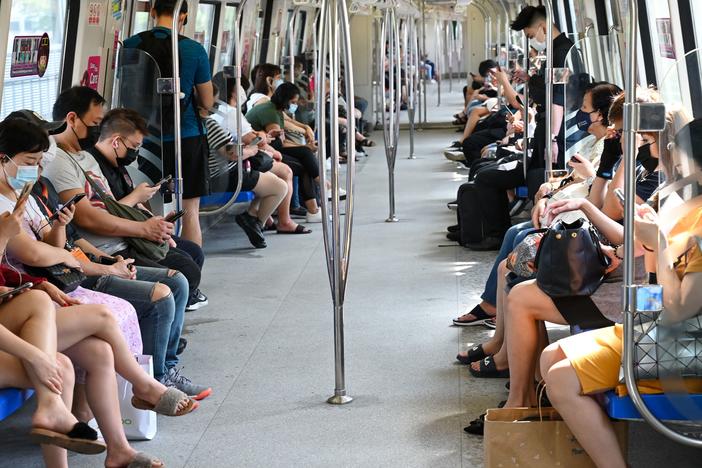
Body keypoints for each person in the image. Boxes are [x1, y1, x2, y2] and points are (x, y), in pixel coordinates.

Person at [540, 116, 702, 468]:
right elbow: (660, 290)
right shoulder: (687, 209)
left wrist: (655, 244)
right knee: (550, 356)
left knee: (560, 377)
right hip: (664, 326)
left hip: (685, 344)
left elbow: (678, 312)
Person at [123, 0, 214, 246]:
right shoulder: (195, 50)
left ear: (153, 12)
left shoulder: (131, 45)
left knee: (150, 209)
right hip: (187, 136)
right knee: (190, 210)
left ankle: (161, 268)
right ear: (183, 16)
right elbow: (207, 100)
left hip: (143, 138)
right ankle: (192, 274)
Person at [214, 77, 309, 235]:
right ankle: (279, 220)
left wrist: (262, 137)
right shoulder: (231, 114)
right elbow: (253, 140)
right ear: (233, 91)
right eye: (241, 87)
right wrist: (271, 149)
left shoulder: (220, 111)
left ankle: (264, 216)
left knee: (275, 169)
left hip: (235, 161)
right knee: (286, 171)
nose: (243, 92)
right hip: (233, 166)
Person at [200, 102, 289, 248]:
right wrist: (252, 150)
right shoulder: (209, 124)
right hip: (224, 175)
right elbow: (233, 153)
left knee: (272, 179)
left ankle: (253, 217)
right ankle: (254, 221)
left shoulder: (197, 124)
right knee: (280, 187)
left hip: (223, 172)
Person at [246, 82, 323, 223]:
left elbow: (279, 142)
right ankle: (316, 201)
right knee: (304, 164)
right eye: (292, 102)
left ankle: (315, 205)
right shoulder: (270, 113)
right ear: (285, 100)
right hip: (260, 154)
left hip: (267, 150)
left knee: (306, 154)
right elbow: (279, 144)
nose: (294, 105)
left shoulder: (275, 110)